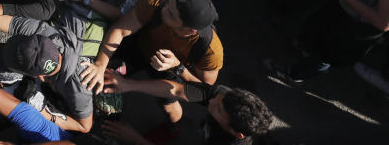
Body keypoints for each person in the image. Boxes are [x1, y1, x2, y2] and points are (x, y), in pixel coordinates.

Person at [81, 0, 223, 126]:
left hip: (172, 71)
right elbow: (120, 30)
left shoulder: (210, 51)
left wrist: (177, 67)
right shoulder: (157, 4)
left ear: (191, 31)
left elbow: (202, 90)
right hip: (141, 47)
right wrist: (100, 64)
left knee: (169, 109)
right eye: (168, 4)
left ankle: (174, 128)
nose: (163, 10)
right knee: (106, 76)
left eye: (171, 15)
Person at [103, 73, 276, 145]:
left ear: (237, 133)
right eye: (217, 98)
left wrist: (135, 139)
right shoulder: (225, 97)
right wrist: (128, 84)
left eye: (218, 110)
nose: (211, 102)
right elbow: (178, 90)